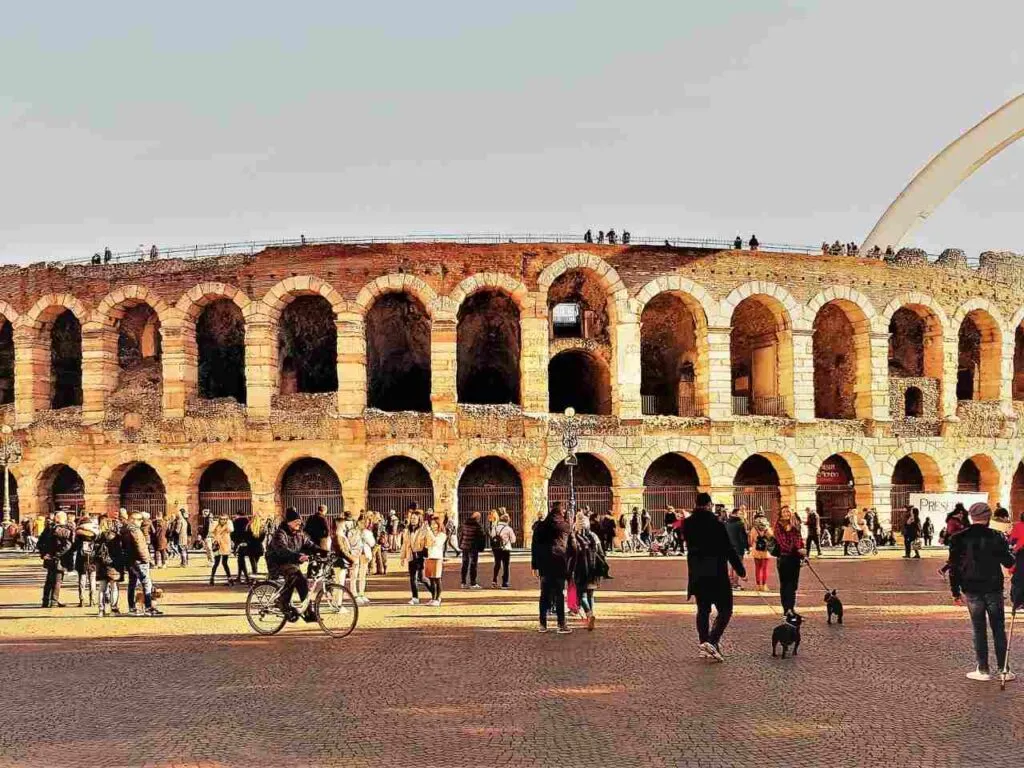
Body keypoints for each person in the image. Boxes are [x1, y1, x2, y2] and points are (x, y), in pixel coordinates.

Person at [949, 502, 1016, 681]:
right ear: (989, 517)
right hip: (993, 587)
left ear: (971, 516)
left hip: (971, 588)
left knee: (979, 629)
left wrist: (955, 592)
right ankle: (1004, 668)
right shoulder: (997, 536)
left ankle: (983, 669)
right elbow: (1009, 562)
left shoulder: (958, 538)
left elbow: (954, 567)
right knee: (998, 629)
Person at [683, 493, 746, 661]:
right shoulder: (717, 524)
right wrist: (740, 570)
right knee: (726, 609)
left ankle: (704, 643)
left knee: (703, 610)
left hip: (697, 573)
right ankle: (712, 641)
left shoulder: (688, 524)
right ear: (710, 504)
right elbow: (728, 548)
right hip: (717, 573)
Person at [266, 508, 323, 622]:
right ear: (288, 522)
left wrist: (325, 552)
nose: (299, 523)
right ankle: (282, 602)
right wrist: (298, 557)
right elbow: (282, 550)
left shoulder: (300, 534)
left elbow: (310, 545)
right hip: (277, 562)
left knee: (302, 583)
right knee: (296, 577)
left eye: (299, 521)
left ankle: (308, 612)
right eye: (296, 521)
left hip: (291, 563)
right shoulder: (280, 534)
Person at [532, 501, 575, 634]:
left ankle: (542, 624)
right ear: (561, 512)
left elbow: (535, 547)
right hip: (560, 563)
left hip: (544, 564)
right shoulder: (565, 526)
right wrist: (571, 563)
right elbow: (573, 547)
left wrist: (534, 565)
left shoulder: (540, 526)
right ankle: (561, 624)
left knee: (544, 594)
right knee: (559, 594)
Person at [122, 511, 162, 616]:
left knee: (132, 583)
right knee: (146, 583)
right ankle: (148, 607)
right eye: (139, 520)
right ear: (133, 520)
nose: (141, 522)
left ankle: (132, 607)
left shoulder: (125, 530)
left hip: (130, 560)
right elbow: (140, 546)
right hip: (139, 560)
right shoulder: (135, 531)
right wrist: (146, 559)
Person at [571, 511, 606, 631]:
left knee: (581, 595)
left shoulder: (574, 537)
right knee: (590, 594)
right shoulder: (593, 536)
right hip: (593, 568)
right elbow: (601, 553)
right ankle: (591, 616)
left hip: (580, 570)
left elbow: (570, 555)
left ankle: (589, 615)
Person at [773, 506, 805, 615]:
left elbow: (799, 540)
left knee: (794, 585)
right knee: (786, 584)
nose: (786, 513)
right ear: (781, 514)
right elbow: (783, 544)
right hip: (784, 558)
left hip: (795, 558)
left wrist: (802, 552)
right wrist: (797, 549)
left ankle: (791, 607)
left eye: (788, 511)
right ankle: (787, 609)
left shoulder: (796, 524)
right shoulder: (779, 525)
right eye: (784, 512)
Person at [38, 511, 74, 608]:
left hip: (49, 558)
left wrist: (44, 554)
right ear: (63, 519)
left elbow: (40, 543)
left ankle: (45, 601)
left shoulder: (48, 528)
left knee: (49, 580)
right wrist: (57, 554)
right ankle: (54, 601)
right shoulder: (64, 530)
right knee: (57, 580)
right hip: (59, 559)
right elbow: (68, 545)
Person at [94, 518, 124, 617]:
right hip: (113, 564)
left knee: (102, 588)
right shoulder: (115, 537)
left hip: (101, 564)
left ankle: (101, 610)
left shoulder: (98, 536)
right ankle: (113, 609)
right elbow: (119, 551)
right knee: (114, 587)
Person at [400, 510, 427, 605]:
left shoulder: (423, 530)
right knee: (412, 577)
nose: (412, 520)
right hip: (411, 555)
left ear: (419, 519)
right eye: (411, 518)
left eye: (415, 518)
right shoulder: (407, 531)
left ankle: (435, 593)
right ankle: (415, 597)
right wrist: (402, 557)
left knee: (422, 578)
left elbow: (427, 542)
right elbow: (404, 544)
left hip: (420, 555)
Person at [71, 516, 99, 608]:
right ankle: (93, 601)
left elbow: (74, 547)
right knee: (92, 580)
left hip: (81, 559)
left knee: (82, 580)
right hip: (92, 559)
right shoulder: (95, 533)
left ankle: (82, 600)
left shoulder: (78, 534)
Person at [422, 516, 446, 606]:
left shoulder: (442, 534)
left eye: (434, 524)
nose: (433, 526)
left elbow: (436, 542)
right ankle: (433, 597)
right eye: (432, 524)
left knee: (437, 579)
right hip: (429, 556)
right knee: (431, 579)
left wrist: (429, 532)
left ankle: (437, 598)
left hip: (437, 557)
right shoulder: (430, 533)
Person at [459, 511, 486, 589]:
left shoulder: (465, 524)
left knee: (464, 564)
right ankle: (473, 583)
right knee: (473, 565)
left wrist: (461, 544)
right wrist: (481, 547)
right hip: (473, 547)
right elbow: (481, 537)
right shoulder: (477, 526)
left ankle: (463, 582)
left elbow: (461, 535)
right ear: (477, 518)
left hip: (465, 546)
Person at [748, 511, 773, 591]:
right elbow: (772, 539)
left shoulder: (754, 528)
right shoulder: (768, 528)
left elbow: (750, 541)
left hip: (756, 550)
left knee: (758, 568)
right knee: (765, 568)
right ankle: (764, 585)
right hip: (766, 550)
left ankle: (758, 585)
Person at [490, 510, 517, 588]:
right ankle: (505, 583)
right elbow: (513, 540)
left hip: (496, 548)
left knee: (497, 564)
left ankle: (494, 581)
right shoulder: (508, 529)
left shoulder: (495, 527)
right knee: (506, 566)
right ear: (507, 520)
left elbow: (492, 536)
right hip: (506, 548)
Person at [724, 509, 748, 589]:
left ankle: (730, 582)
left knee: (731, 565)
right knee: (737, 565)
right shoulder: (740, 523)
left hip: (728, 547)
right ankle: (735, 584)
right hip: (738, 547)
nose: (742, 515)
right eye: (740, 513)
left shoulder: (727, 523)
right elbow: (743, 537)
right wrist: (746, 546)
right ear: (736, 514)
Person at [209, 513, 234, 586]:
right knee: (216, 563)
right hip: (217, 545)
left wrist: (229, 522)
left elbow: (231, 529)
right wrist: (215, 523)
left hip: (225, 545)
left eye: (225, 519)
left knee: (224, 563)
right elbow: (211, 531)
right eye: (222, 519)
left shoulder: (228, 525)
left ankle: (230, 579)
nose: (223, 520)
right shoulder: (217, 525)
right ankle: (212, 578)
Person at [232, 514, 252, 585]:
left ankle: (246, 578)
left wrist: (235, 547)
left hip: (241, 544)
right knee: (240, 561)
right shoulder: (247, 522)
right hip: (245, 544)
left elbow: (235, 535)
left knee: (241, 561)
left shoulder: (237, 523)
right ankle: (240, 577)